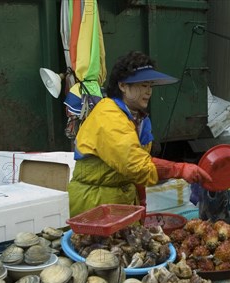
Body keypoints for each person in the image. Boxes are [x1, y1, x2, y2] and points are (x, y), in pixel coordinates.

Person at [67, 51, 212, 217]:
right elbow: (136, 166)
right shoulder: (108, 116)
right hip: (95, 202)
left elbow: (138, 169)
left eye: (150, 85)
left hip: (121, 198)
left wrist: (141, 203)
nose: (149, 91)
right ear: (122, 86)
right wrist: (180, 169)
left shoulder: (136, 116)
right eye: (143, 85)